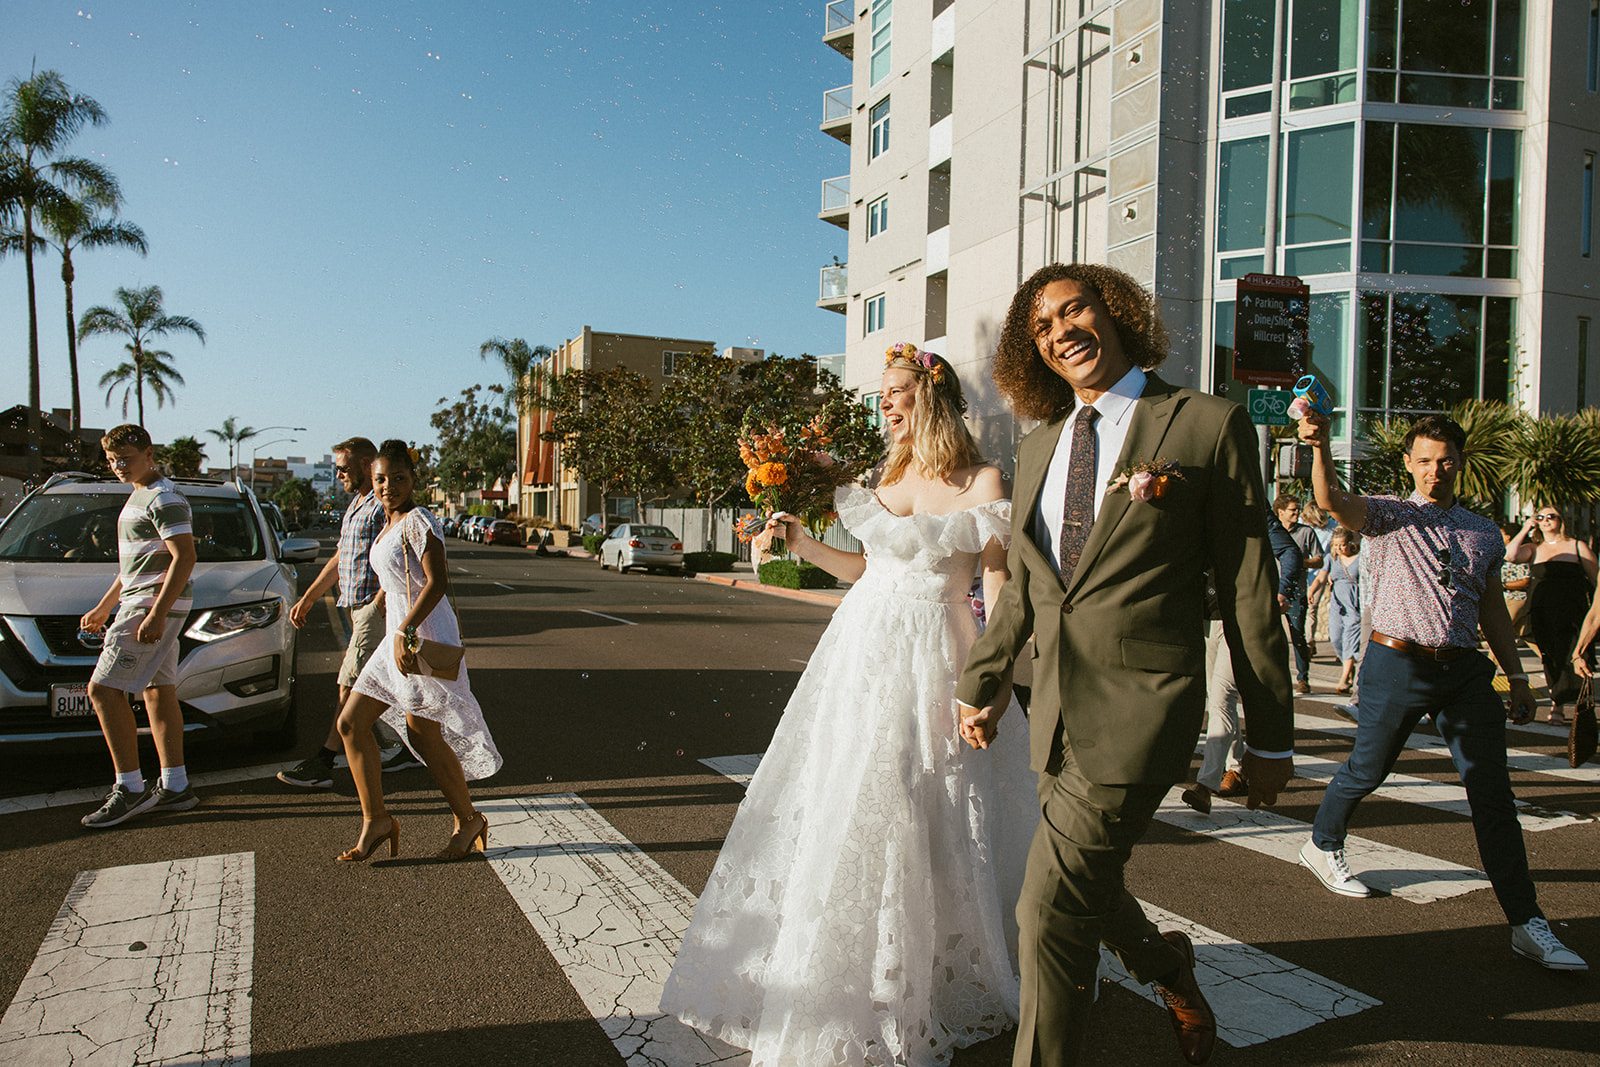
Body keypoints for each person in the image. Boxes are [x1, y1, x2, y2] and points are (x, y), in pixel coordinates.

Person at [660, 345, 1039, 1067]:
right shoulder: (886, 475)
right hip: (861, 655)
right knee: (864, 800)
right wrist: (803, 543)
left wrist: (988, 681)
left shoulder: (984, 478)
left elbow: (996, 587)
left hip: (938, 656)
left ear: (933, 394)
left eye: (896, 391)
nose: (885, 404)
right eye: (883, 394)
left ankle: (927, 968)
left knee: (931, 801)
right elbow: (867, 569)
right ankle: (863, 969)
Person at [955, 264, 1294, 1067]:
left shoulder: (1205, 424)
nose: (1061, 330)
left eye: (1075, 309)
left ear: (1116, 312)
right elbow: (1029, 591)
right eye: (1042, 326)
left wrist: (1270, 738)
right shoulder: (1037, 445)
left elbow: (1250, 585)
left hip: (1145, 705)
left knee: (1045, 911)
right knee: (1083, 883)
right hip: (1056, 715)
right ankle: (1166, 963)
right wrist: (984, 683)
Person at [1294, 411, 1586, 972]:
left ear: (1460, 463)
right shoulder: (1389, 513)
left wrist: (1519, 677)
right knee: (1367, 769)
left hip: (1465, 672)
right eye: (1424, 460)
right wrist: (1320, 445)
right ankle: (1323, 842)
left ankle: (1526, 921)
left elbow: (1492, 608)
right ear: (1409, 464)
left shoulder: (1481, 531)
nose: (1435, 470)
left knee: (1493, 796)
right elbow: (1332, 500)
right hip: (1395, 662)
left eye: (1445, 459)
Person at [332, 440, 501, 862]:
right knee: (352, 724)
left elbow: (437, 581)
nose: (389, 486)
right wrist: (380, 611)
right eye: (381, 479)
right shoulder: (386, 524)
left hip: (418, 632)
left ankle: (468, 820)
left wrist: (405, 629)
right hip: (396, 632)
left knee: (424, 734)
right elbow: (394, 581)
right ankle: (377, 819)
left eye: (399, 478)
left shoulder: (418, 519)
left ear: (414, 480)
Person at [77, 424, 200, 828]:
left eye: (126, 458)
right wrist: (103, 607)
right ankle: (175, 785)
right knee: (157, 692)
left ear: (150, 453)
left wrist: (156, 614)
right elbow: (135, 567)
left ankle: (129, 788)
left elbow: (184, 557)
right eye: (112, 460)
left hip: (149, 607)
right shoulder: (140, 496)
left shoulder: (163, 497)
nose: (117, 466)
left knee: (103, 691)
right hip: (141, 603)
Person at [279, 436, 420, 788]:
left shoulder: (381, 502)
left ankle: (324, 762)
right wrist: (310, 596)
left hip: (375, 608)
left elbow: (399, 554)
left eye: (342, 468)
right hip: (357, 607)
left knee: (349, 684)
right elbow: (343, 555)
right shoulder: (358, 504)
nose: (338, 474)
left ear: (363, 465)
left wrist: (378, 604)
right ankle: (408, 747)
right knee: (378, 684)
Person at [1505, 507, 1596, 727]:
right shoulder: (1534, 549)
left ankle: (1580, 706)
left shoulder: (1576, 546)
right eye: (1541, 517)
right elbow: (1510, 555)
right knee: (1551, 657)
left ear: (1561, 521)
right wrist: (1527, 526)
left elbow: (1596, 579)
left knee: (1576, 655)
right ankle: (1557, 701)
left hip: (1573, 611)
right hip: (1543, 611)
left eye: (1551, 516)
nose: (1546, 520)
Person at [1309, 528, 1362, 695]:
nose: (1340, 548)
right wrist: (1312, 590)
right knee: (1336, 637)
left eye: (1343, 545)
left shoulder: (1360, 559)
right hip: (1337, 604)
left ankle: (1344, 678)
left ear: (1350, 544)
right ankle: (1349, 667)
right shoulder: (1331, 558)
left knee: (1349, 640)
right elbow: (1321, 577)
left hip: (1354, 604)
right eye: (1337, 545)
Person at [1276, 494, 1316, 694]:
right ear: (1280, 512)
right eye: (1293, 509)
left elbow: (1319, 560)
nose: (1297, 512)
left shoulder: (1306, 532)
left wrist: (1298, 562)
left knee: (1298, 636)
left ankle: (1303, 677)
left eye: (1297, 508)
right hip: (1272, 591)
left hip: (1296, 592)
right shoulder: (1272, 532)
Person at [1498, 521, 1532, 639]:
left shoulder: (1520, 554)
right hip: (1506, 598)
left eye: (1501, 534)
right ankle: (1549, 656)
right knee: (1524, 632)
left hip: (1517, 599)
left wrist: (1502, 585)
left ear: (1508, 537)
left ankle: (1492, 658)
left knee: (1500, 632)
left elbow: (1525, 580)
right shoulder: (1502, 552)